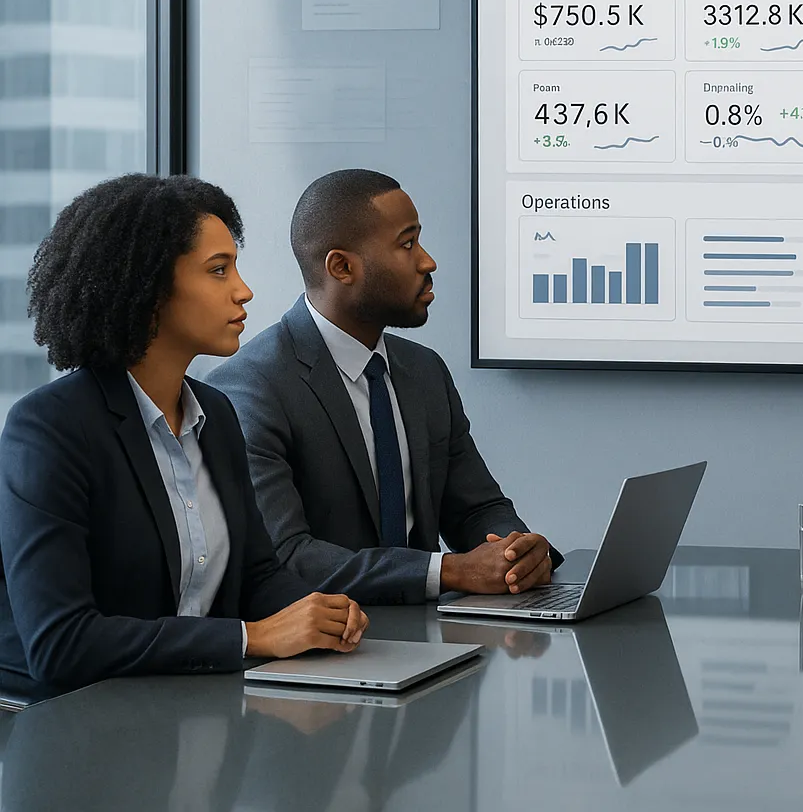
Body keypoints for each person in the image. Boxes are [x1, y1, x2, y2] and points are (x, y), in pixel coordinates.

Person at [0, 174, 368, 688]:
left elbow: (257, 576)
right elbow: (61, 643)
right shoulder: (49, 429)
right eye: (218, 271)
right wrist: (252, 638)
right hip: (77, 729)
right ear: (145, 289)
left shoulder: (214, 413)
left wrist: (318, 612)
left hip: (192, 706)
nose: (244, 290)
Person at [209, 169, 558, 605]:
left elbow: (476, 507)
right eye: (407, 243)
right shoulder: (250, 388)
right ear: (341, 267)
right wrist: (449, 571)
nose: (427, 261)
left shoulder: (425, 370)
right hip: (324, 656)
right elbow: (287, 556)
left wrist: (517, 552)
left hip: (436, 642)